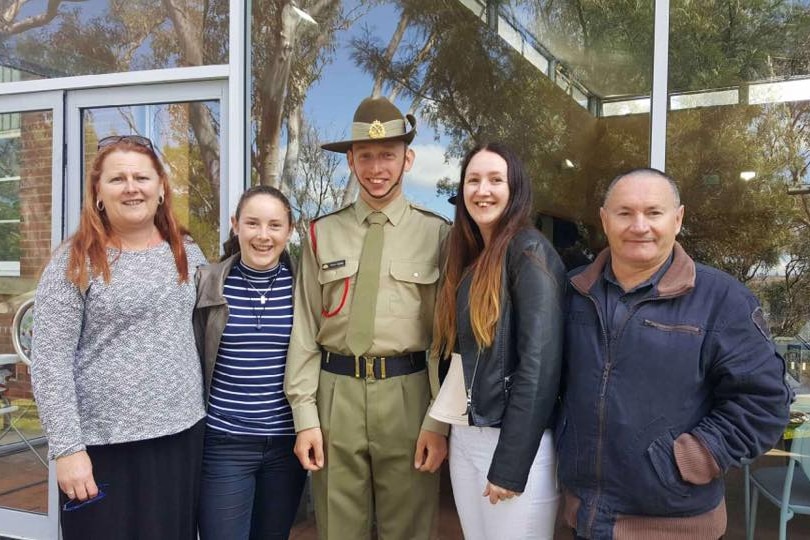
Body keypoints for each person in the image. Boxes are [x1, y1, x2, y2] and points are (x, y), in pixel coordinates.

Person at [556, 168, 791, 539]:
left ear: (677, 219)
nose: (639, 226)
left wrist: (693, 456)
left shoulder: (722, 299)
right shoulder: (574, 293)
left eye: (653, 212)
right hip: (584, 516)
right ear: (604, 219)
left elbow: (764, 402)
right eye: (624, 213)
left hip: (676, 525)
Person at [283, 96, 451, 540]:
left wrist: (437, 420)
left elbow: (446, 338)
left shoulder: (438, 234)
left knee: (410, 527)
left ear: (408, 159)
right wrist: (305, 417)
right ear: (351, 162)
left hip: (410, 395)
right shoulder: (322, 232)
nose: (377, 167)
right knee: (338, 528)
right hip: (335, 394)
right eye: (366, 156)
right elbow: (304, 329)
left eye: (388, 155)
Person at [30, 135, 208, 539]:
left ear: (161, 188)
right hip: (102, 447)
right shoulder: (73, 262)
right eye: (118, 179)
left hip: (180, 437)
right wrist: (68, 449)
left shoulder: (187, 252)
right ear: (97, 193)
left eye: (142, 177)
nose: (132, 187)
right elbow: (49, 363)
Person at [431, 142, 566, 540]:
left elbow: (539, 366)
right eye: (473, 180)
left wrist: (510, 464)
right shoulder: (471, 257)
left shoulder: (529, 251)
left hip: (513, 442)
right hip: (467, 436)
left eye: (495, 179)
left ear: (516, 189)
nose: (482, 190)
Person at [194, 185, 306, 540]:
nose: (263, 235)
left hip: (287, 445)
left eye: (275, 225)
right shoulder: (208, 282)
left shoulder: (304, 287)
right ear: (235, 225)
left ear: (290, 230)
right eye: (252, 223)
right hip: (225, 441)